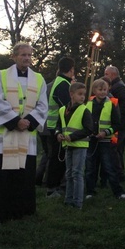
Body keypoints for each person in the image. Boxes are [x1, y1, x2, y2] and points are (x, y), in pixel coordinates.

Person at [0, 43, 48, 225]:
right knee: (2, 177)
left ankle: (20, 212)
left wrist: (29, 122)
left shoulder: (39, 79)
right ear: (14, 56)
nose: (27, 58)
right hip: (5, 137)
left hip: (26, 137)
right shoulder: (1, 75)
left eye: (29, 55)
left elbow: (42, 105)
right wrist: (16, 121)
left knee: (22, 177)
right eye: (23, 55)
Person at [85, 79, 125, 201]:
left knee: (110, 167)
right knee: (90, 168)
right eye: (100, 90)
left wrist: (106, 132)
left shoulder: (111, 104)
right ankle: (90, 191)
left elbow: (117, 124)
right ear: (94, 91)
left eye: (105, 90)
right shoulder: (88, 103)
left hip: (105, 141)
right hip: (91, 141)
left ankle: (118, 192)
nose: (103, 92)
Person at [55, 82, 93, 209]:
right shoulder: (62, 110)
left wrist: (73, 136)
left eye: (84, 94)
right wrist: (58, 134)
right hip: (68, 145)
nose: (83, 97)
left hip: (80, 145)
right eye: (80, 94)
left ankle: (77, 202)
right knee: (69, 173)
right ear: (72, 94)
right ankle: (68, 199)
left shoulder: (84, 110)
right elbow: (58, 126)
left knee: (77, 173)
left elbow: (89, 129)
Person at [45, 57, 75, 198]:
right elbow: (68, 107)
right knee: (57, 158)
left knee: (59, 158)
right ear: (71, 69)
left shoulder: (61, 81)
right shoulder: (63, 84)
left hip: (56, 125)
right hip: (56, 126)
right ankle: (52, 187)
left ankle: (57, 185)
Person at [104, 65, 125, 183]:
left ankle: (118, 174)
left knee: (115, 149)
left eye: (106, 74)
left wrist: (116, 117)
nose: (105, 77)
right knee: (118, 150)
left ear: (113, 75)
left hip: (122, 124)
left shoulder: (119, 87)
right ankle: (120, 174)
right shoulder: (119, 85)